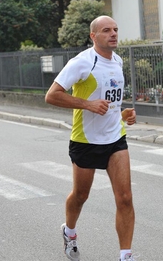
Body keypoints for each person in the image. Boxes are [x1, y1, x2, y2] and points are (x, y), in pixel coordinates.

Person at [45, 16, 136, 261]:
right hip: (85, 140)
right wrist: (87, 104)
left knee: (125, 198)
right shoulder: (82, 62)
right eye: (107, 30)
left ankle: (125, 255)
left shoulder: (117, 60)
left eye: (116, 29)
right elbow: (52, 95)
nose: (113, 34)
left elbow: (111, 102)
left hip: (115, 139)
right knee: (81, 195)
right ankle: (70, 231)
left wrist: (123, 113)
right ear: (93, 36)